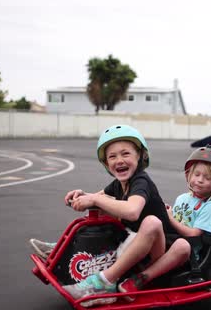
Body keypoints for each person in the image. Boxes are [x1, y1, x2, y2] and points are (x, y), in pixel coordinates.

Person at [50, 124, 191, 308]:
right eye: (112, 156)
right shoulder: (117, 184)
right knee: (103, 209)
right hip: (135, 245)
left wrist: (95, 199)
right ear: (106, 163)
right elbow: (98, 199)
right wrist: (83, 195)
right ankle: (66, 247)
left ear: (139, 156)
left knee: (157, 226)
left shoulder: (141, 181)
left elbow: (132, 211)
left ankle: (106, 282)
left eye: (125, 154)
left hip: (161, 250)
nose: (119, 160)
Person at [116, 145, 211, 300]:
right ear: (189, 175)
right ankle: (121, 266)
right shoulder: (183, 198)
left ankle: (141, 278)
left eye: (207, 178)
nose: (200, 180)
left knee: (182, 245)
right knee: (150, 222)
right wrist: (164, 213)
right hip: (170, 241)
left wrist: (169, 218)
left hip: (188, 254)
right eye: (197, 174)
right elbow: (172, 222)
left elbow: (193, 234)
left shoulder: (208, 207)